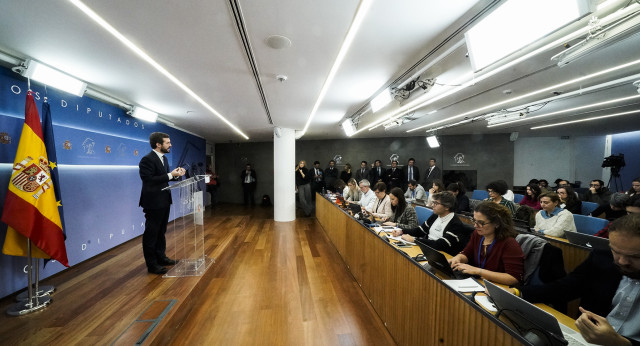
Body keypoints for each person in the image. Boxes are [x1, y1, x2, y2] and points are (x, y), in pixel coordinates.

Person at [516, 214, 640, 345]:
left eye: (636, 257)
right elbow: (566, 287)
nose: (622, 261)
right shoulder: (602, 258)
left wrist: (620, 342)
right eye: (616, 251)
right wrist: (519, 292)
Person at [139, 132, 185, 274]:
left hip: (164, 201)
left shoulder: (163, 159)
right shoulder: (147, 159)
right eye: (167, 142)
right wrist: (171, 175)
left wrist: (176, 175)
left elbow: (163, 179)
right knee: (152, 234)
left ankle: (161, 258)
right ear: (158, 144)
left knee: (161, 232)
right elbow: (149, 179)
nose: (170, 145)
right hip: (153, 203)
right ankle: (152, 265)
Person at [448, 201, 524, 285]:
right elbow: (467, 253)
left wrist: (478, 271)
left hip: (498, 287)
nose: (475, 226)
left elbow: (513, 278)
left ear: (497, 223)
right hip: (480, 282)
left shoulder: (509, 244)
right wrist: (458, 258)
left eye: (481, 223)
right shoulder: (478, 234)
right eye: (474, 221)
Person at [393, 191, 471, 256]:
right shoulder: (435, 216)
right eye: (433, 202)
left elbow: (440, 244)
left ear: (447, 207)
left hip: (441, 254)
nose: (432, 205)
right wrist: (401, 231)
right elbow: (420, 230)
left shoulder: (455, 224)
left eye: (436, 203)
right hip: (427, 248)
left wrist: (415, 240)